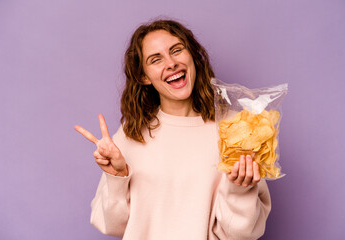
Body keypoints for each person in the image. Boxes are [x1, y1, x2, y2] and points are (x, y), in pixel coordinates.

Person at [75, 19, 271, 240]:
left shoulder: (236, 129)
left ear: (193, 56)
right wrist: (117, 178)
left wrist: (239, 189)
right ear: (143, 76)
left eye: (176, 50)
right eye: (156, 59)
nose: (171, 63)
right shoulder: (132, 134)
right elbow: (112, 226)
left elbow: (241, 234)